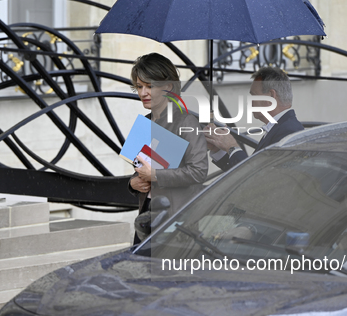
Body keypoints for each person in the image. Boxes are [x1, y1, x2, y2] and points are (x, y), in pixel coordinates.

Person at [128, 53, 208, 243]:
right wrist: (133, 184)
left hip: (175, 217)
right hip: (146, 213)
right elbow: (140, 169)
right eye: (139, 87)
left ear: (168, 87)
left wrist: (155, 175)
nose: (143, 93)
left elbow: (199, 171)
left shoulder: (186, 121)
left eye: (150, 86)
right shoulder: (144, 124)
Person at [205, 67, 304, 172]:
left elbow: (259, 176)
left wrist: (232, 146)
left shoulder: (288, 132)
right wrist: (219, 148)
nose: (249, 102)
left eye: (254, 96)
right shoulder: (282, 127)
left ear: (271, 96)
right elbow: (249, 174)